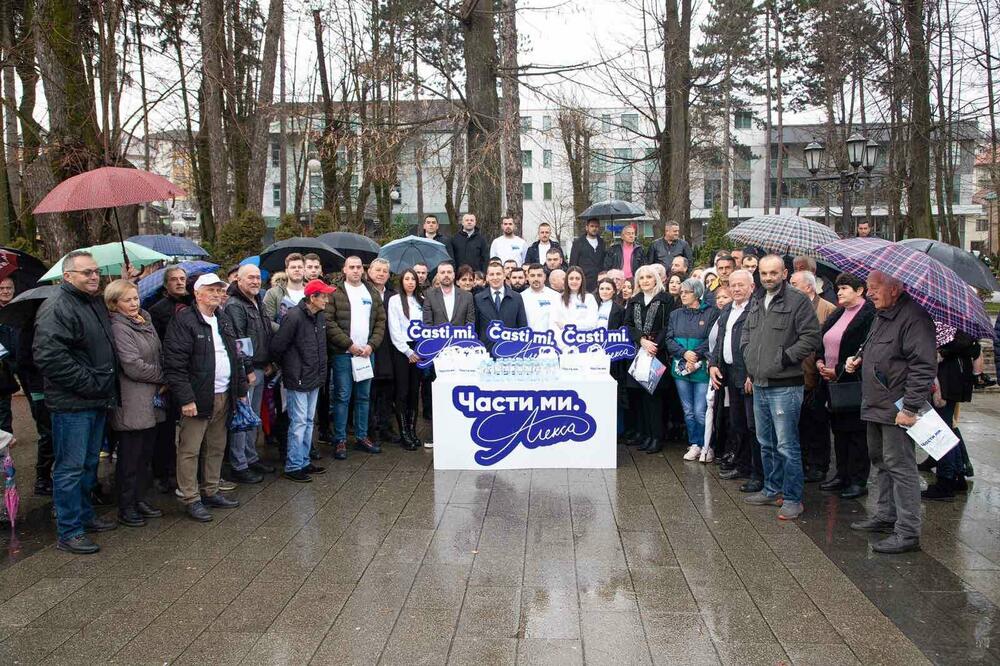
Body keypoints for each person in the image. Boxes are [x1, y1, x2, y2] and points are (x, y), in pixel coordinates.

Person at [34, 251, 120, 554]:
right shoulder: (57, 306)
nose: (94, 276)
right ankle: (69, 531)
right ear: (67, 276)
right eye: (86, 272)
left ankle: (84, 516)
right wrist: (91, 383)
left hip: (95, 399)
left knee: (88, 463)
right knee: (69, 469)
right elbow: (49, 357)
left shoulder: (92, 302)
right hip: (73, 404)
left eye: (96, 271)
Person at [845, 271, 936, 554]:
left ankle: (908, 532)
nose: (869, 293)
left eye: (874, 288)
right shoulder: (882, 314)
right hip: (875, 404)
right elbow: (877, 350)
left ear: (895, 288)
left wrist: (910, 407)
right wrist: (858, 359)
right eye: (868, 287)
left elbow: (923, 366)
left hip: (897, 408)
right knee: (880, 461)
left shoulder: (914, 318)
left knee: (901, 467)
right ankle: (885, 514)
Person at [739, 255, 820, 521]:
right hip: (759, 383)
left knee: (787, 445)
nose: (768, 278)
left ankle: (793, 498)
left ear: (784, 273)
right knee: (766, 442)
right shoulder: (757, 299)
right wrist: (748, 355)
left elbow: (811, 337)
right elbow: (747, 332)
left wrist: (785, 358)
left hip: (785, 385)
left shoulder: (798, 301)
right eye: (763, 273)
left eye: (773, 273)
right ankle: (772, 489)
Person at [163, 274, 247, 522]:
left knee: (216, 445)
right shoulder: (184, 321)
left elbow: (236, 355)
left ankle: (211, 490)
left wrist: (240, 390)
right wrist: (186, 399)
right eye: (211, 290)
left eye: (219, 290)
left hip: (224, 394)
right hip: (198, 396)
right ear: (197, 293)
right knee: (190, 449)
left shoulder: (223, 318)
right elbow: (175, 364)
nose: (217, 294)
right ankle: (190, 497)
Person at [105, 279, 164, 528]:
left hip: (151, 399)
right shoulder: (118, 327)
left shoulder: (144, 321)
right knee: (130, 458)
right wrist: (163, 375)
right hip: (131, 400)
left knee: (144, 456)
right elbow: (132, 365)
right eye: (127, 300)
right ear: (114, 304)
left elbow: (157, 352)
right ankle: (126, 506)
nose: (133, 303)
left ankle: (140, 499)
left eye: (136, 298)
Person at [815, 273, 875, 499]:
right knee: (839, 431)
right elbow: (824, 341)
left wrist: (839, 369)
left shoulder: (869, 316)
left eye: (845, 288)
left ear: (859, 291)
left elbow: (865, 351)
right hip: (830, 382)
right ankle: (841, 474)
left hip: (852, 382)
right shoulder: (839, 313)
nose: (839, 292)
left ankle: (857, 479)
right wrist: (820, 360)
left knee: (856, 433)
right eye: (838, 288)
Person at [270, 279, 332, 482]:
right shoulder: (294, 316)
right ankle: (294, 465)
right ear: (312, 297)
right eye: (324, 296)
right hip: (298, 378)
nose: (327, 300)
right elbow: (278, 346)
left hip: (313, 377)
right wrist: (290, 368)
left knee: (308, 421)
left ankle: (304, 461)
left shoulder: (319, 316)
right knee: (298, 422)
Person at [325, 255, 386, 460]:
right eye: (351, 267)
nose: (355, 270)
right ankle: (340, 439)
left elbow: (380, 321)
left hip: (366, 355)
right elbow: (329, 322)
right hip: (344, 354)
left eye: (359, 267)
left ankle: (361, 436)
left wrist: (371, 345)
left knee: (363, 397)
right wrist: (349, 345)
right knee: (342, 397)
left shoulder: (371, 292)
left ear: (363, 270)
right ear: (344, 270)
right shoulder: (335, 292)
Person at [710, 270, 763, 490]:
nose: (737, 289)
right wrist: (713, 364)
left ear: (752, 287)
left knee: (753, 425)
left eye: (741, 285)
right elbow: (719, 340)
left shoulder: (757, 309)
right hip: (729, 374)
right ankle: (742, 465)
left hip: (748, 375)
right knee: (737, 421)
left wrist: (752, 373)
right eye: (733, 285)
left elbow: (759, 344)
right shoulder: (727, 310)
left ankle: (757, 473)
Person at [224, 264, 275, 484]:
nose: (255, 281)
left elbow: (265, 331)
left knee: (252, 417)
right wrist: (247, 370)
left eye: (257, 277)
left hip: (261, 366)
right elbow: (239, 339)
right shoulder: (235, 305)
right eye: (250, 278)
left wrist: (268, 361)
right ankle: (239, 464)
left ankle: (251, 457)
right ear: (239, 280)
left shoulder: (257, 300)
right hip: (248, 370)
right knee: (242, 418)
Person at [789, 270, 837, 483]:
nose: (789, 287)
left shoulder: (827, 309)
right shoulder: (791, 307)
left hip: (817, 375)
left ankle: (819, 465)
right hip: (794, 375)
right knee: (799, 423)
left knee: (818, 423)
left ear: (809, 286)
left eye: (794, 283)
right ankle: (803, 461)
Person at [666, 278, 719, 462]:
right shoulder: (675, 314)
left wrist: (695, 355)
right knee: (688, 410)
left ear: (696, 293)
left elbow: (712, 339)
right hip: (680, 369)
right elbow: (669, 339)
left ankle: (707, 445)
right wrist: (684, 353)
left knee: (700, 411)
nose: (682, 295)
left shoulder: (711, 313)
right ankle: (694, 443)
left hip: (701, 368)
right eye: (681, 292)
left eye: (686, 292)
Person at [625, 265, 675, 453]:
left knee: (654, 398)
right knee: (640, 398)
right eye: (642, 277)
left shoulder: (666, 299)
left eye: (649, 277)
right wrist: (641, 340)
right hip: (638, 353)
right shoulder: (634, 300)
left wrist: (654, 345)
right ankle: (645, 435)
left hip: (656, 352)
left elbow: (668, 325)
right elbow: (628, 324)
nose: (645, 280)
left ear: (656, 279)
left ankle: (656, 437)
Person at [923, 331, 978, 500]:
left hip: (947, 381)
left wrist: (942, 352)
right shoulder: (955, 324)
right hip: (952, 378)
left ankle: (946, 482)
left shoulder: (953, 327)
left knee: (942, 432)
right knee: (947, 430)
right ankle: (957, 476)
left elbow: (966, 342)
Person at [388, 269, 426, 450]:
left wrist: (420, 350)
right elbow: (394, 330)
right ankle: (404, 432)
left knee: (414, 392)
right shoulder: (395, 301)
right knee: (402, 392)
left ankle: (412, 430)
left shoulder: (422, 300)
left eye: (413, 279)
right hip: (402, 350)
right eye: (407, 279)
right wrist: (407, 351)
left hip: (419, 348)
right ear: (401, 281)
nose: (410, 282)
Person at [367, 258, 397, 445]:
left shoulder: (394, 296)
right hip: (369, 347)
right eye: (377, 270)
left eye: (385, 271)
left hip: (389, 348)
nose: (381, 274)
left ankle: (386, 427)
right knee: (370, 392)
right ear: (370, 272)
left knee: (387, 390)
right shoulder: (363, 293)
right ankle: (371, 430)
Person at [474, 262, 527, 352]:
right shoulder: (478, 298)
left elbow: (522, 325)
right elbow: (476, 327)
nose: (495, 277)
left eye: (498, 274)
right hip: (486, 351)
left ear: (504, 276)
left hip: (510, 350)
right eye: (492, 274)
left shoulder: (516, 297)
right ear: (487, 277)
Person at [550, 266, 599, 345]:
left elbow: (592, 324)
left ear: (582, 280)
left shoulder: (589, 298)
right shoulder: (558, 298)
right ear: (567, 280)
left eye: (577, 278)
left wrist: (566, 325)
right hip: (562, 344)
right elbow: (554, 323)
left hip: (583, 342)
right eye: (571, 278)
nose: (574, 281)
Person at [264, 253, 306, 323]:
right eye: (293, 267)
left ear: (304, 270)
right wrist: (286, 329)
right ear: (286, 271)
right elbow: (267, 321)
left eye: (300, 267)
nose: (297, 269)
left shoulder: (312, 292)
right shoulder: (273, 293)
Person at [569, 218, 607, 289]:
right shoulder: (578, 243)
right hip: (584, 281)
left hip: (599, 281)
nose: (594, 228)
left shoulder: (602, 242)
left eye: (596, 226)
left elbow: (604, 260)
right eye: (592, 226)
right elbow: (573, 263)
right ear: (587, 227)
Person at [521, 264, 561, 332]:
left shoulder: (556, 296)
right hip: (527, 337)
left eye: (539, 275)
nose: (536, 279)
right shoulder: (521, 297)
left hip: (549, 337)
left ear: (545, 277)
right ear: (527, 277)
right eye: (532, 275)